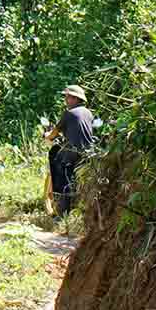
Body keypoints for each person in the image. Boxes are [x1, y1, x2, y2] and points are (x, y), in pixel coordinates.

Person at [41, 85, 99, 214]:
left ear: (76, 99)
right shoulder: (88, 112)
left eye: (68, 97)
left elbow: (55, 132)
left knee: (61, 175)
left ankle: (62, 212)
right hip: (89, 152)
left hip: (73, 152)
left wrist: (47, 136)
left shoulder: (69, 113)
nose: (66, 99)